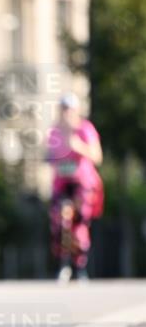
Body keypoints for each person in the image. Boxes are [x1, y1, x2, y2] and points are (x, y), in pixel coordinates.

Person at [46, 92, 103, 282]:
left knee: (79, 224)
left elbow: (97, 156)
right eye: (63, 109)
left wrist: (78, 146)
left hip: (82, 183)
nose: (66, 113)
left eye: (69, 109)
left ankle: (80, 266)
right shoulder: (54, 131)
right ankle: (64, 265)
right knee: (61, 222)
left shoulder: (85, 129)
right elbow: (49, 156)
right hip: (62, 183)